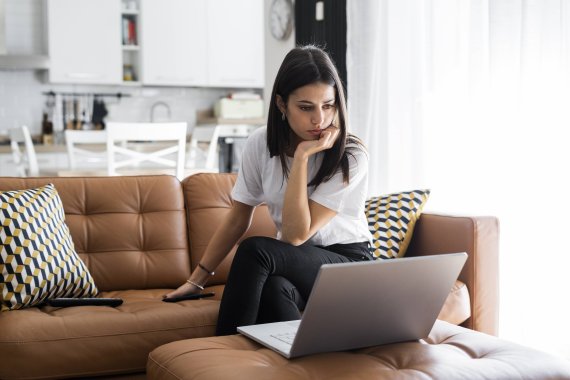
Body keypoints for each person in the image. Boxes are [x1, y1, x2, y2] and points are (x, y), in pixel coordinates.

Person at [165, 45, 373, 336]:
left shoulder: (350, 155)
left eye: (328, 105)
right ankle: (294, 367)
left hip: (348, 266)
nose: (319, 119)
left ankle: (223, 356)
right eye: (305, 107)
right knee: (274, 289)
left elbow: (296, 234)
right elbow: (238, 218)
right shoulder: (260, 144)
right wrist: (197, 280)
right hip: (295, 263)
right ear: (281, 104)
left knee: (256, 251)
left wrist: (301, 158)